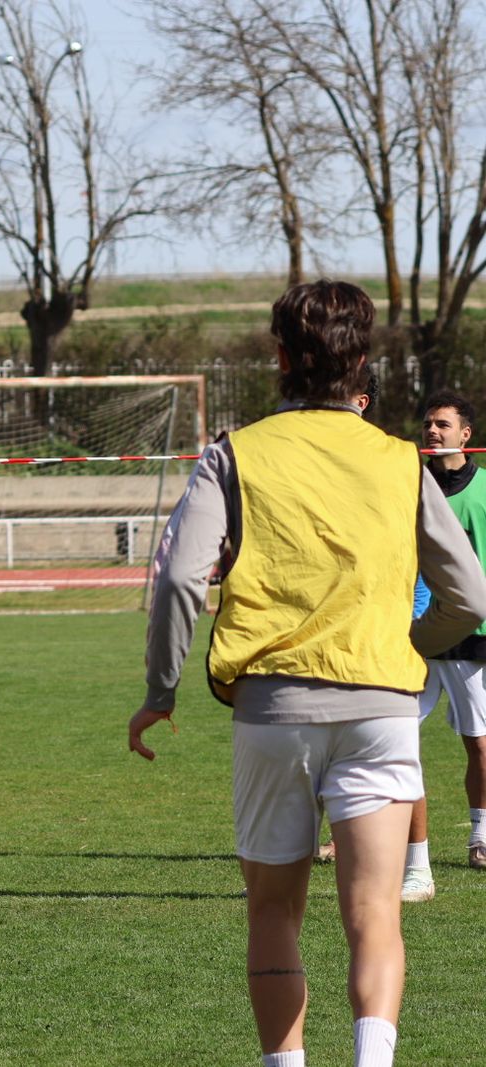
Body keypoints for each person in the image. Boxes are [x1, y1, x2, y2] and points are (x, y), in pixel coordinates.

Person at [129, 281, 486, 1067]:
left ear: (281, 357)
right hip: (381, 709)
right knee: (375, 917)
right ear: (361, 361)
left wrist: (161, 691)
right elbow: (471, 592)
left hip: (272, 710)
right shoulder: (402, 461)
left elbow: (181, 579)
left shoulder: (234, 453)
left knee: (273, 913)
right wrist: (405, 645)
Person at [412, 392, 486, 875]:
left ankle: (480, 836)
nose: (432, 431)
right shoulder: (409, 486)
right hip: (412, 637)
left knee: (478, 743)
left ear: (466, 434)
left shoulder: (482, 491)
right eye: (427, 425)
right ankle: (357, 835)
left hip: (471, 638)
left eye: (443, 424)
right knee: (383, 739)